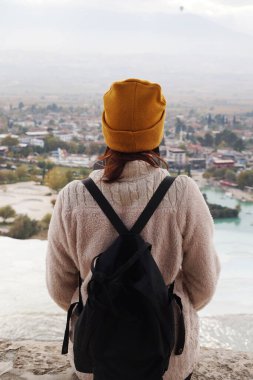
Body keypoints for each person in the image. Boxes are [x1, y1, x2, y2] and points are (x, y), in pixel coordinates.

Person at [46, 78, 220, 380]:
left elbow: (60, 288)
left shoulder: (73, 197)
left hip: (96, 361)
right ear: (158, 129)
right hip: (169, 361)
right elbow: (204, 286)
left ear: (106, 127)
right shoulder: (183, 194)